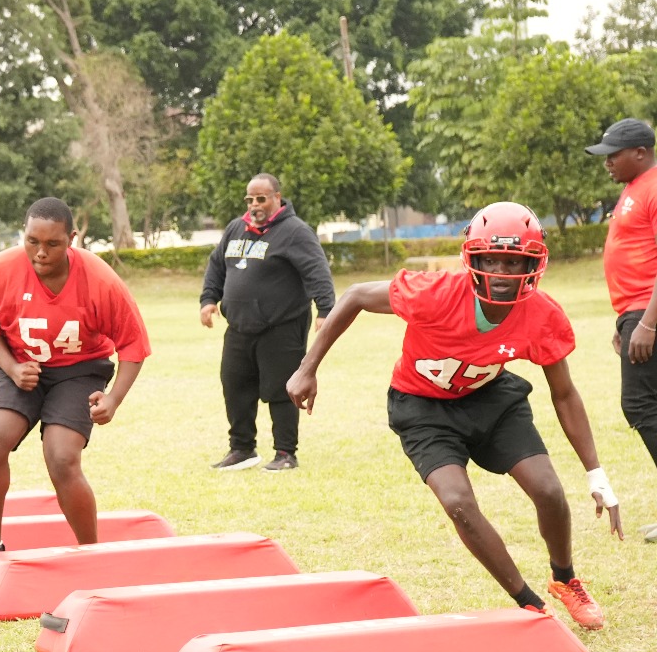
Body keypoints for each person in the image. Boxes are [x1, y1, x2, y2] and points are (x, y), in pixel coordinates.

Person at [286, 201, 622, 629]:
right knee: (458, 501)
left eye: (514, 260)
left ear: (534, 262)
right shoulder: (436, 292)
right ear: (473, 258)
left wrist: (595, 473)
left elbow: (565, 393)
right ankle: (529, 603)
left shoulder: (541, 313)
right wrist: (307, 367)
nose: (501, 271)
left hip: (490, 397)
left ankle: (565, 578)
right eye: (492, 259)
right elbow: (353, 296)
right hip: (422, 406)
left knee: (549, 490)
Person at [0, 197, 151, 585]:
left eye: (53, 244)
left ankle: (90, 554)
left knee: (61, 457)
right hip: (21, 368)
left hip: (79, 371)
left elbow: (133, 346)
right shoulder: (0, 271)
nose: (41, 253)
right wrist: (11, 367)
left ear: (72, 239)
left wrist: (114, 398)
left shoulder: (101, 281)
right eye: (32, 241)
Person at [200, 173, 335, 472]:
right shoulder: (236, 228)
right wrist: (208, 299)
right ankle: (242, 449)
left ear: (277, 197)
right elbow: (217, 265)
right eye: (250, 200)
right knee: (234, 387)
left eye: (261, 199)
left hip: (282, 326)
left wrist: (326, 310)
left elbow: (317, 270)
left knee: (282, 390)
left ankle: (286, 453)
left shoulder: (295, 232)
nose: (255, 205)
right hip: (239, 328)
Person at [585, 118, 657, 542]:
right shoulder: (633, 190)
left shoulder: (653, 187)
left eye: (614, 154)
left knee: (639, 405)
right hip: (634, 313)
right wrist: (625, 323)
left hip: (648, 314)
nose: (608, 161)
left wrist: (646, 322)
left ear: (641, 153)